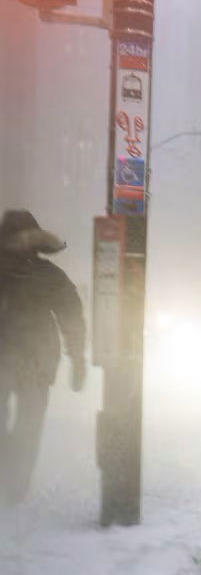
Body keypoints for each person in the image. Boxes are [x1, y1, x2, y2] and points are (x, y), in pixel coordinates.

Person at [0, 209, 86, 505]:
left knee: (25, 424)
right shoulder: (49, 275)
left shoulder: (48, 275)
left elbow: (71, 315)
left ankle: (13, 476)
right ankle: (16, 484)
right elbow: (71, 316)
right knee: (30, 423)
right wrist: (77, 358)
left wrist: (78, 358)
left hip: (23, 359)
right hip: (38, 359)